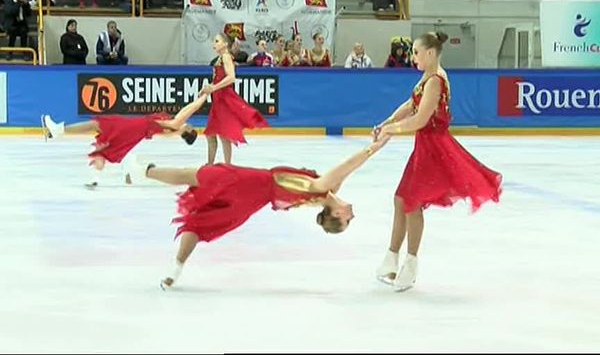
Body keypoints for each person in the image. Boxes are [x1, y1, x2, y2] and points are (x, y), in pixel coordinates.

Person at [123, 134, 390, 289]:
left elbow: (346, 165)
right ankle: (175, 270)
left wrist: (373, 148)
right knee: (201, 220)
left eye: (346, 222)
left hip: (250, 183)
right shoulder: (325, 192)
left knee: (193, 175)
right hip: (251, 200)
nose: (351, 216)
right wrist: (374, 146)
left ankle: (143, 172)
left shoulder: (321, 188)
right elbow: (348, 170)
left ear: (336, 216)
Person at [373, 31, 502, 292]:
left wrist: (391, 131)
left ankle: (409, 264)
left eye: (417, 53)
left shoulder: (435, 80)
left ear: (430, 54)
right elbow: (411, 104)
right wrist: (387, 122)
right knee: (402, 200)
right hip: (424, 147)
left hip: (434, 149)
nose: (413, 57)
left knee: (411, 202)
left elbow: (420, 120)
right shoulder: (427, 77)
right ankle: (391, 259)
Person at [41, 93, 208, 187]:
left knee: (99, 124)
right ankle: (96, 178)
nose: (189, 122)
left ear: (189, 130)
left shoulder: (175, 126)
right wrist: (202, 95)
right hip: (134, 130)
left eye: (190, 125)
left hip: (133, 127)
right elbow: (187, 109)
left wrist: (205, 95)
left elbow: (190, 109)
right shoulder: (174, 129)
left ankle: (58, 130)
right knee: (104, 144)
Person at [200, 34, 269, 165]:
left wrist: (214, 87)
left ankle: (224, 165)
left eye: (217, 41)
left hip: (224, 98)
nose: (213, 44)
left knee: (221, 134)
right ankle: (215, 164)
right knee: (214, 133)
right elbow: (218, 78)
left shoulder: (226, 57)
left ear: (225, 44)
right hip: (218, 98)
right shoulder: (220, 58)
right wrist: (207, 89)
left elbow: (231, 77)